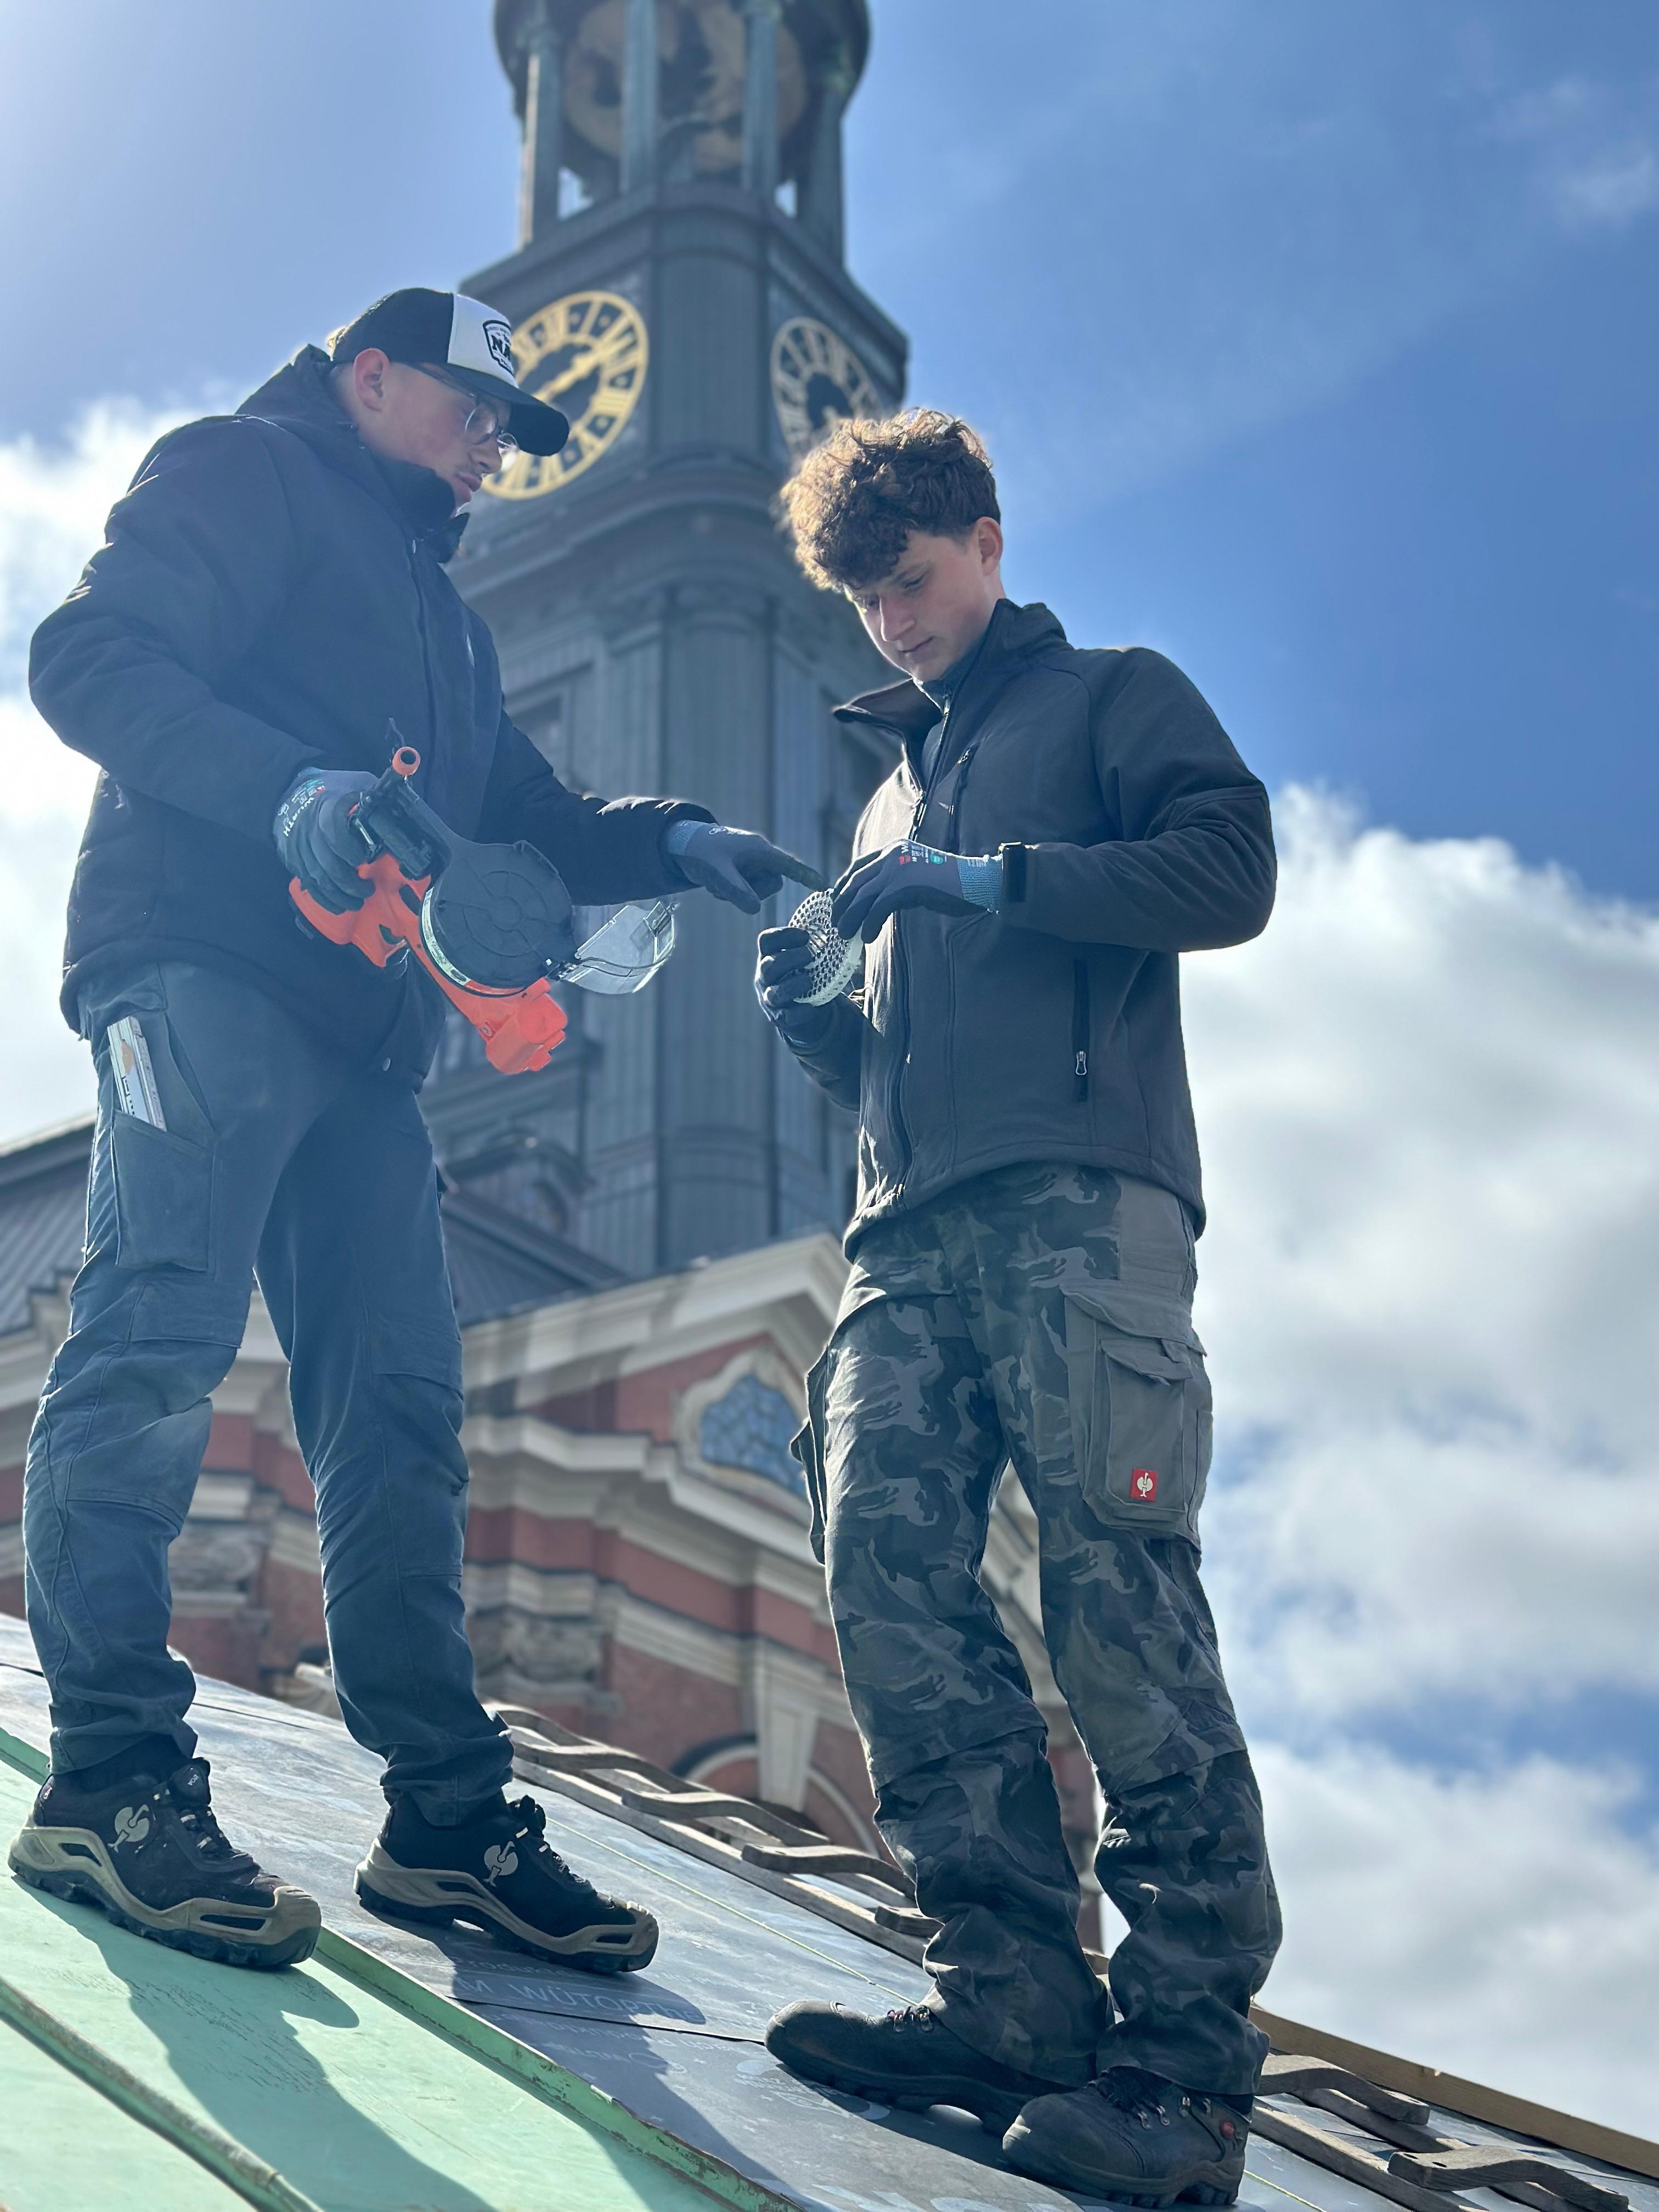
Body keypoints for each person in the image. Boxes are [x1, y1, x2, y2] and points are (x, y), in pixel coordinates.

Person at [10, 286, 816, 1976]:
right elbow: (85, 659)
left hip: (367, 1047)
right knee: (156, 1342)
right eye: (470, 411)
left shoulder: (442, 627)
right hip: (198, 964)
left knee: (397, 1415)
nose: (491, 452)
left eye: (512, 436)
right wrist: (284, 790)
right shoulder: (243, 471)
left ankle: (448, 1820)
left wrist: (670, 843)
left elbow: (519, 816)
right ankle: (113, 1779)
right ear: (368, 377)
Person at [754, 411, 1282, 2204]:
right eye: (864, 604)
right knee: (888, 1593)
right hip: (905, 1237)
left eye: (909, 583)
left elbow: (1234, 875)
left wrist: (985, 883)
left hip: (1087, 1215)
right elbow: (903, 1055)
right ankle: (1009, 2009)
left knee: (1117, 1611)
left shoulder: (1119, 697)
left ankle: (1187, 2078)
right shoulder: (888, 786)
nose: (892, 626)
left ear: (985, 541)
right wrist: (823, 1014)